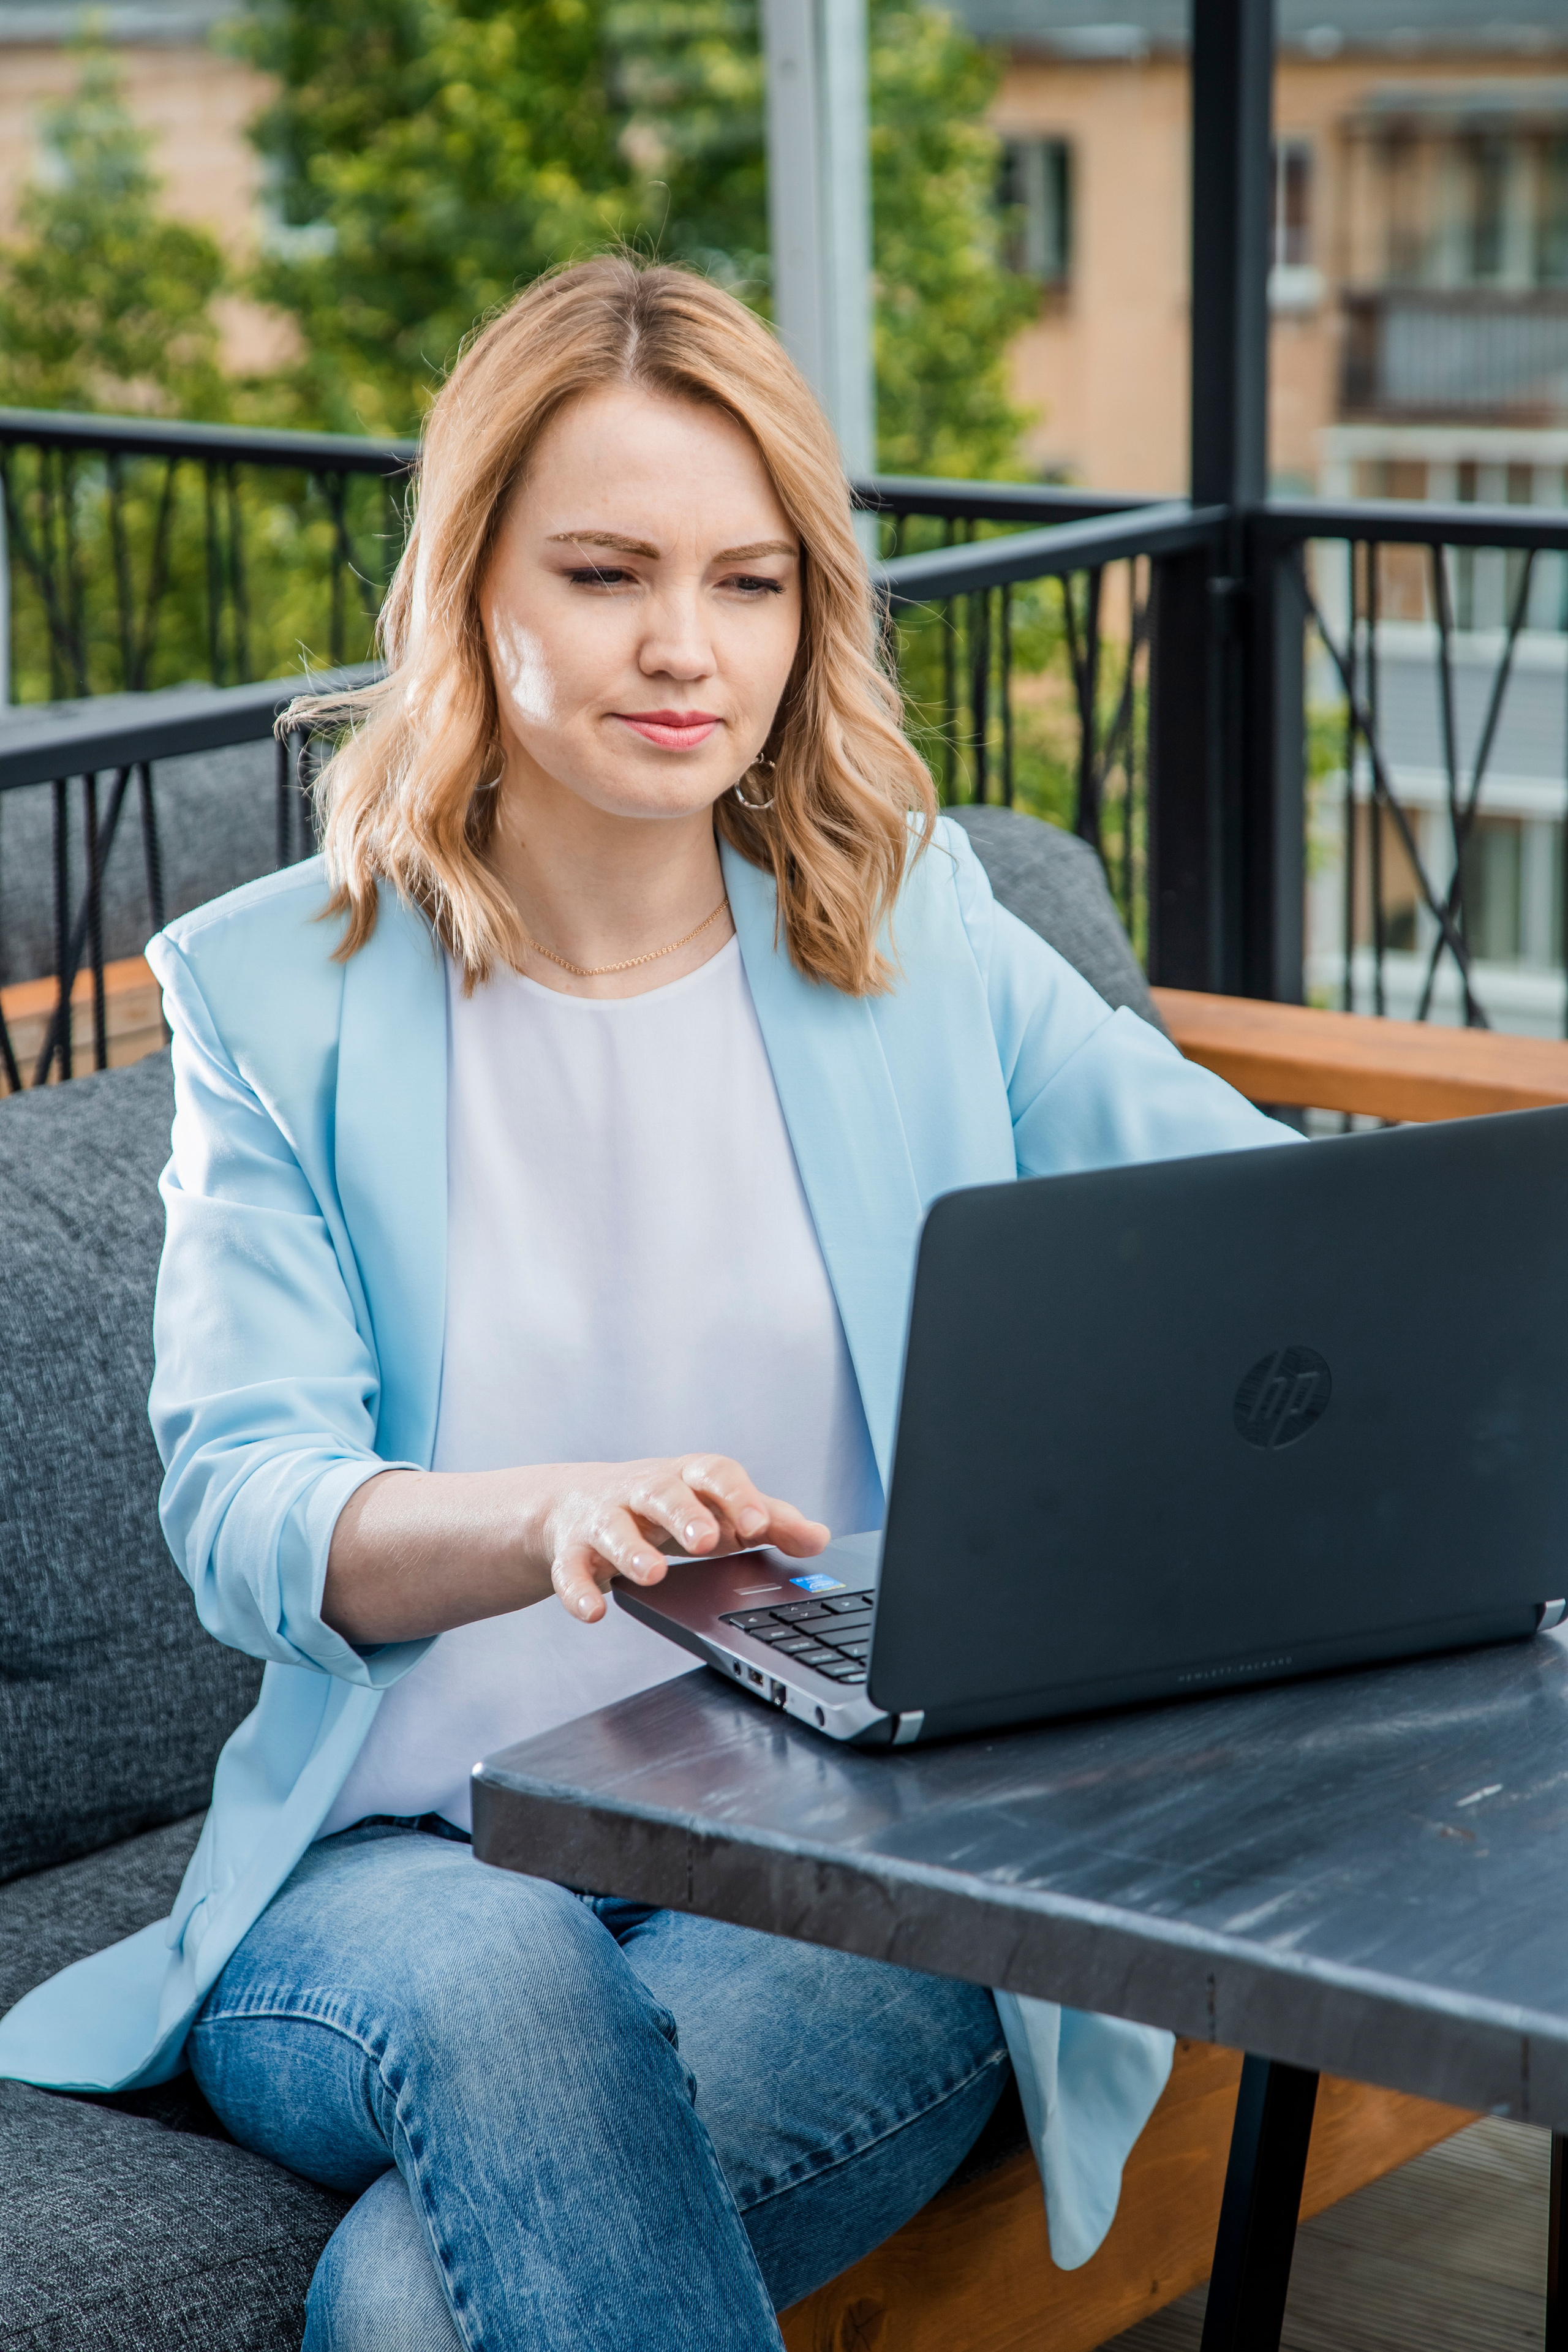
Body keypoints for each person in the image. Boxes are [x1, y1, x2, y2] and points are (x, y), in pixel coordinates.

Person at [0, 257, 1291, 2348]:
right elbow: (243, 1504)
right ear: (470, 587)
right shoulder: (273, 998)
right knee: (508, 1981)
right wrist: (536, 1519)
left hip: (845, 1868)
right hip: (394, 1876)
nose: (688, 649)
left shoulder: (919, 937)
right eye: (607, 574)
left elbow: (1263, 1240)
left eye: (753, 582)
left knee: (423, 2310)